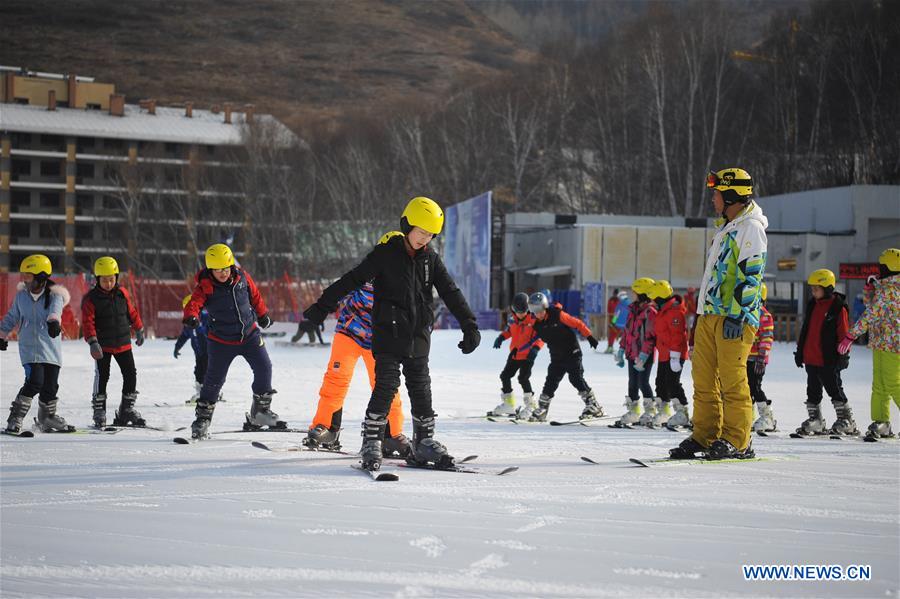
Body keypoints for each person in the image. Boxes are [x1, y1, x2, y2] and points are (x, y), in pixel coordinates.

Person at [302, 197, 481, 472]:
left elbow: (450, 292)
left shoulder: (430, 260)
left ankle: (424, 442)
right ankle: (372, 439)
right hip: (387, 335)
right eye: (421, 233)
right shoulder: (385, 254)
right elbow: (352, 279)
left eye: (430, 235)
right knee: (385, 386)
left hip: (418, 336)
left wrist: (469, 324)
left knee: (421, 390)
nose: (425, 239)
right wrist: (321, 307)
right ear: (407, 225)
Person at [670, 167, 767, 460]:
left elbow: (753, 275)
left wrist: (738, 314)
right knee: (703, 379)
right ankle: (705, 435)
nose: (713, 199)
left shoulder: (751, 228)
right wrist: (699, 314)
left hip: (733, 317)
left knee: (732, 380)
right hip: (710, 315)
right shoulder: (727, 227)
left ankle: (738, 440)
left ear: (732, 195)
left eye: (717, 193)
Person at [303, 232, 408, 457]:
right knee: (336, 379)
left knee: (387, 386)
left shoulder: (406, 279)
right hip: (349, 333)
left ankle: (392, 434)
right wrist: (322, 310)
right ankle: (327, 428)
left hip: (380, 341)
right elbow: (342, 289)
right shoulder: (367, 272)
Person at [182, 243, 281, 439]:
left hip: (249, 335)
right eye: (218, 270)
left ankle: (260, 414)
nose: (223, 273)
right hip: (221, 341)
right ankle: (202, 419)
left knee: (264, 368)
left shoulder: (242, 278)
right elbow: (194, 303)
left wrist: (263, 315)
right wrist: (191, 316)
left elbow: (255, 296)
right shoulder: (205, 287)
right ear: (211, 270)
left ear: (231, 266)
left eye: (225, 268)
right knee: (213, 381)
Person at [0, 255, 73, 434]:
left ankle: (47, 418)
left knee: (51, 385)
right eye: (23, 276)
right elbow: (11, 317)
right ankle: (15, 417)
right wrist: (1, 335)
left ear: (41, 277)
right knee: (34, 382)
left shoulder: (54, 295)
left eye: (28, 276)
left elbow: (55, 311)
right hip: (29, 350)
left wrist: (54, 321)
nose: (24, 280)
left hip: (50, 350)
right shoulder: (21, 297)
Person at [838, 248, 899, 440]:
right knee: (879, 385)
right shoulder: (886, 288)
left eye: (882, 266)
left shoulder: (891, 290)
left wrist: (851, 335)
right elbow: (872, 307)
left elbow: (871, 314)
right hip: (881, 342)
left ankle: (883, 421)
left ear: (890, 268)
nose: (879, 270)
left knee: (893, 383)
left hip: (893, 344)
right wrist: (869, 290)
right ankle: (882, 422)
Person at [81, 256, 146, 428]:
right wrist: (93, 342)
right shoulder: (91, 299)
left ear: (116, 278)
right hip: (103, 346)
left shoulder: (122, 293)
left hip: (123, 343)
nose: (109, 283)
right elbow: (88, 323)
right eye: (104, 280)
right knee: (102, 376)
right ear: (97, 279)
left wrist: (139, 329)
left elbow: (131, 312)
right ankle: (99, 411)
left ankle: (126, 410)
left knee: (130, 374)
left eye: (111, 279)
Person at [793, 269, 856, 436]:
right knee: (812, 391)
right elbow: (806, 329)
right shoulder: (813, 304)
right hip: (811, 357)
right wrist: (800, 352)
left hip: (828, 358)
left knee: (834, 389)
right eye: (812, 289)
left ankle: (846, 420)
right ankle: (816, 421)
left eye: (817, 288)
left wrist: (844, 354)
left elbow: (843, 332)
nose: (813, 292)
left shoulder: (838, 307)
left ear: (828, 288)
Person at [526, 291, 601, 422]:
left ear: (545, 306)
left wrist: (589, 336)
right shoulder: (537, 324)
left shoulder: (558, 314)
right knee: (550, 381)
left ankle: (594, 406)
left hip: (572, 352)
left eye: (539, 310)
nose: (537, 313)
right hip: (557, 357)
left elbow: (577, 323)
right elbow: (534, 338)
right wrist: (530, 349)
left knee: (576, 379)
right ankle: (543, 409)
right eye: (534, 310)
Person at [490, 292, 544, 419]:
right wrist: (501, 338)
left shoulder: (534, 319)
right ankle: (509, 405)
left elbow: (541, 336)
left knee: (523, 378)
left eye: (523, 311)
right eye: (518, 311)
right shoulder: (512, 319)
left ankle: (531, 405)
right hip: (515, 354)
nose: (521, 314)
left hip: (528, 355)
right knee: (505, 376)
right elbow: (509, 331)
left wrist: (535, 349)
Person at [612, 277, 656, 427]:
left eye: (635, 292)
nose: (633, 294)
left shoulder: (650, 312)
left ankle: (650, 411)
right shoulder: (633, 309)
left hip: (644, 355)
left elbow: (650, 337)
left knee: (643, 383)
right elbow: (627, 332)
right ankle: (634, 411)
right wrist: (621, 349)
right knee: (632, 383)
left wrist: (644, 356)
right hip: (632, 353)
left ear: (643, 293)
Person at [650, 280, 690, 428]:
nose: (653, 300)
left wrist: (675, 355)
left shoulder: (675, 311)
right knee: (660, 382)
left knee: (673, 383)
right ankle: (664, 411)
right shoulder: (663, 310)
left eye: (655, 297)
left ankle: (682, 412)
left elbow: (678, 335)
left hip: (675, 354)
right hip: (664, 354)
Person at [749, 282, 776, 432]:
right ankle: (749, 415)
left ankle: (767, 417)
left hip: (756, 360)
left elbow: (767, 338)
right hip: (744, 358)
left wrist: (761, 357)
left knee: (755, 388)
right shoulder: (747, 314)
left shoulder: (764, 315)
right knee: (745, 389)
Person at [174, 294, 210, 404]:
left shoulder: (204, 316)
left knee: (207, 370)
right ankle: (200, 392)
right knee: (198, 371)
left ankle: (210, 393)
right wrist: (177, 347)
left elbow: (210, 330)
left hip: (209, 351)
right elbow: (184, 335)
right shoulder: (188, 323)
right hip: (198, 353)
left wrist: (199, 327)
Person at [605, 289, 621, 353]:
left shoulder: (619, 301)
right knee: (611, 333)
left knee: (615, 333)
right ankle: (609, 347)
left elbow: (619, 310)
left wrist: (614, 320)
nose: (615, 295)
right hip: (611, 318)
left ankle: (611, 347)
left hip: (616, 319)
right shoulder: (611, 300)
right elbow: (608, 309)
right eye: (614, 294)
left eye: (616, 294)